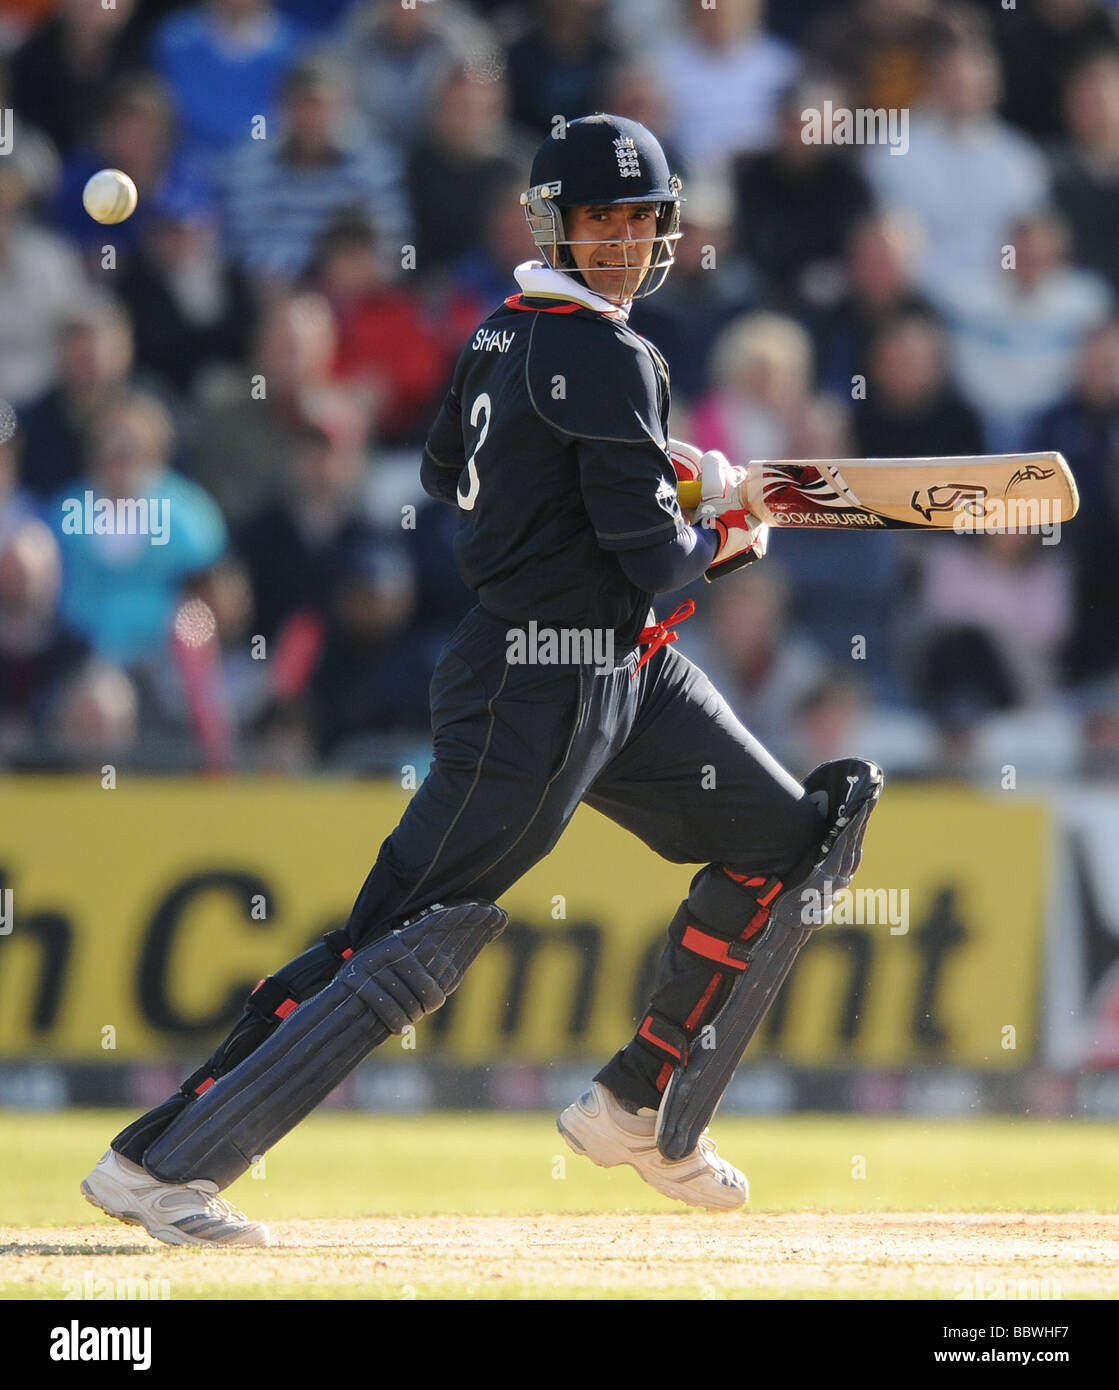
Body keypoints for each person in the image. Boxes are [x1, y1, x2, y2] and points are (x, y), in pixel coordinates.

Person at [80, 115, 881, 1247]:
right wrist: (728, 527)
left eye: (640, 221)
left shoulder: (501, 333)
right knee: (401, 934)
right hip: (534, 686)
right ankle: (155, 1165)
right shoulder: (612, 355)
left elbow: (455, 469)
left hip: (624, 673)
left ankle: (640, 1105)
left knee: (792, 839)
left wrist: (668, 481)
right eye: (600, 221)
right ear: (557, 223)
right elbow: (656, 560)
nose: (620, 242)